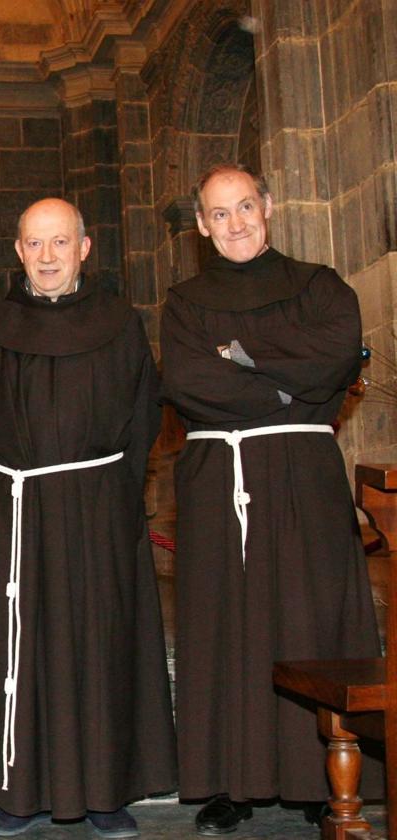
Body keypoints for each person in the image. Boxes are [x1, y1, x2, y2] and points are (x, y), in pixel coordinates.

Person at [161, 163, 379, 835]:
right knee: (224, 625)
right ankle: (233, 781)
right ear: (201, 225)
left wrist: (248, 356)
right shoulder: (186, 302)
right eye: (219, 214)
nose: (236, 223)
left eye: (245, 206)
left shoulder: (319, 285)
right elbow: (192, 383)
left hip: (303, 472)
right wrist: (287, 381)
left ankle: (322, 777)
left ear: (269, 206)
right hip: (216, 480)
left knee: (309, 619)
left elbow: (338, 353)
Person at [0, 198, 176, 838]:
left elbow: (142, 417)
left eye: (59, 243)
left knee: (101, 643)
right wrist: (8, 494)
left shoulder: (120, 324)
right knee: (18, 649)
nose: (47, 257)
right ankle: (16, 792)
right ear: (18, 252)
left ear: (83, 249)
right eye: (34, 244)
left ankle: (106, 792)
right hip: (17, 512)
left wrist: (113, 499)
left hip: (99, 509)